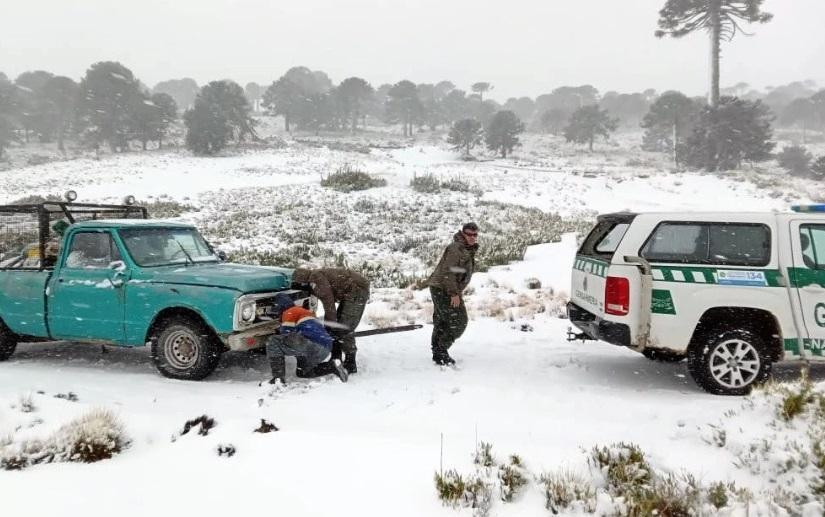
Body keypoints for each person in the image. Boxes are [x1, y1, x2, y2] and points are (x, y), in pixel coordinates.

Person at [291, 267, 370, 374]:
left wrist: (329, 327)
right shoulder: (315, 276)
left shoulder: (316, 280)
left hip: (357, 290)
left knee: (345, 327)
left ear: (303, 280)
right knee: (340, 327)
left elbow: (329, 306)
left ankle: (350, 363)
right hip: (351, 290)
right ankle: (338, 358)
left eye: (299, 283)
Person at [426, 222, 479, 366]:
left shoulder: (466, 249)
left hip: (441, 288)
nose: (472, 237)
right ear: (463, 234)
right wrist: (454, 293)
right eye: (469, 234)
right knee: (459, 321)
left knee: (442, 320)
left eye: (475, 235)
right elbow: (448, 272)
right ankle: (441, 350)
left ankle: (438, 353)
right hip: (443, 289)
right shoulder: (456, 248)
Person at [265, 293, 348, 385]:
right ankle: (331, 367)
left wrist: (278, 330)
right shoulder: (305, 311)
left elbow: (286, 334)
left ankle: (278, 379)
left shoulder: (289, 312)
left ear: (280, 307)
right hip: (325, 347)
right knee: (303, 372)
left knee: (273, 341)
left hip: (312, 344)